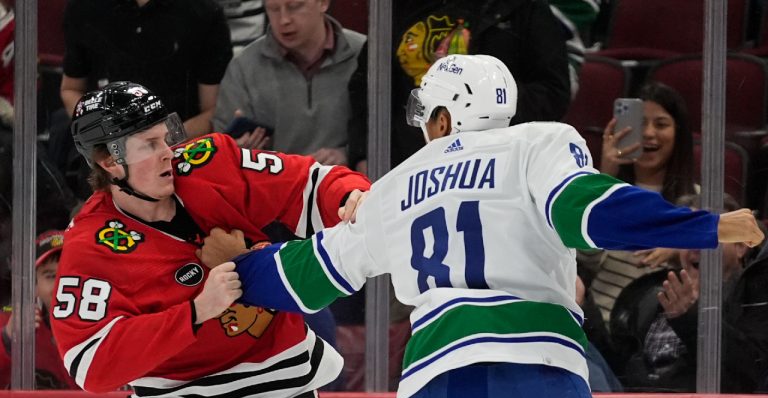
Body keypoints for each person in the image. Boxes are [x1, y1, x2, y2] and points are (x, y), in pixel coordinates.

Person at [197, 54, 764, 398]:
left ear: (444, 118)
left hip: (430, 384)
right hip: (533, 368)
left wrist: (234, 273)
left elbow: (314, 269)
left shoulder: (395, 184)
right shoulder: (538, 142)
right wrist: (703, 226)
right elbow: (586, 211)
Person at [50, 81, 370, 398]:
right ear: (109, 160)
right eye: (150, 145)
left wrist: (350, 196)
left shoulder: (210, 162)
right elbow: (91, 364)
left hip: (281, 390)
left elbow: (308, 183)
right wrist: (195, 311)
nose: (168, 152)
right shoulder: (91, 245)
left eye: (166, 136)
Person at [347, 0, 571, 173]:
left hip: (492, 168)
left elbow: (554, 92)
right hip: (408, 165)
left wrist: (489, 102)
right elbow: (366, 86)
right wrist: (363, 153)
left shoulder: (522, 8)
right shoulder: (398, 7)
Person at [620, 193, 768, 393]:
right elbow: (616, 371)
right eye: (687, 234)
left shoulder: (753, 297)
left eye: (707, 234)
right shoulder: (650, 296)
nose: (694, 246)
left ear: (740, 246)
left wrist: (690, 319)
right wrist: (585, 306)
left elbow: (749, 374)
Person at [579, 81, 698, 325]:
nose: (649, 133)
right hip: (598, 325)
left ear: (679, 133)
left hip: (660, 333)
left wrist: (681, 250)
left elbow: (722, 265)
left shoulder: (698, 200)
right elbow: (583, 260)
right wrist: (605, 179)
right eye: (640, 124)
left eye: (661, 124)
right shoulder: (605, 190)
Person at [212, 0, 365, 166]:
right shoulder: (243, 68)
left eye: (295, 7)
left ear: (323, 3)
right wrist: (237, 154)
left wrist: (351, 154)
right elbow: (220, 157)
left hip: (349, 184)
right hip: (274, 187)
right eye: (274, 9)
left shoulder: (364, 54)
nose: (284, 20)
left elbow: (391, 138)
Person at [60, 0, 233, 139]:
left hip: (179, 153)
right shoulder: (84, 8)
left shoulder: (204, 12)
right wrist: (102, 132)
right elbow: (71, 89)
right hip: (108, 156)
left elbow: (214, 111)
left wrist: (162, 138)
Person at [0, 230, 79, 390]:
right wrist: (8, 339)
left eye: (70, 273)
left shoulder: (112, 327)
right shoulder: (9, 324)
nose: (61, 284)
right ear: (34, 286)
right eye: (50, 276)